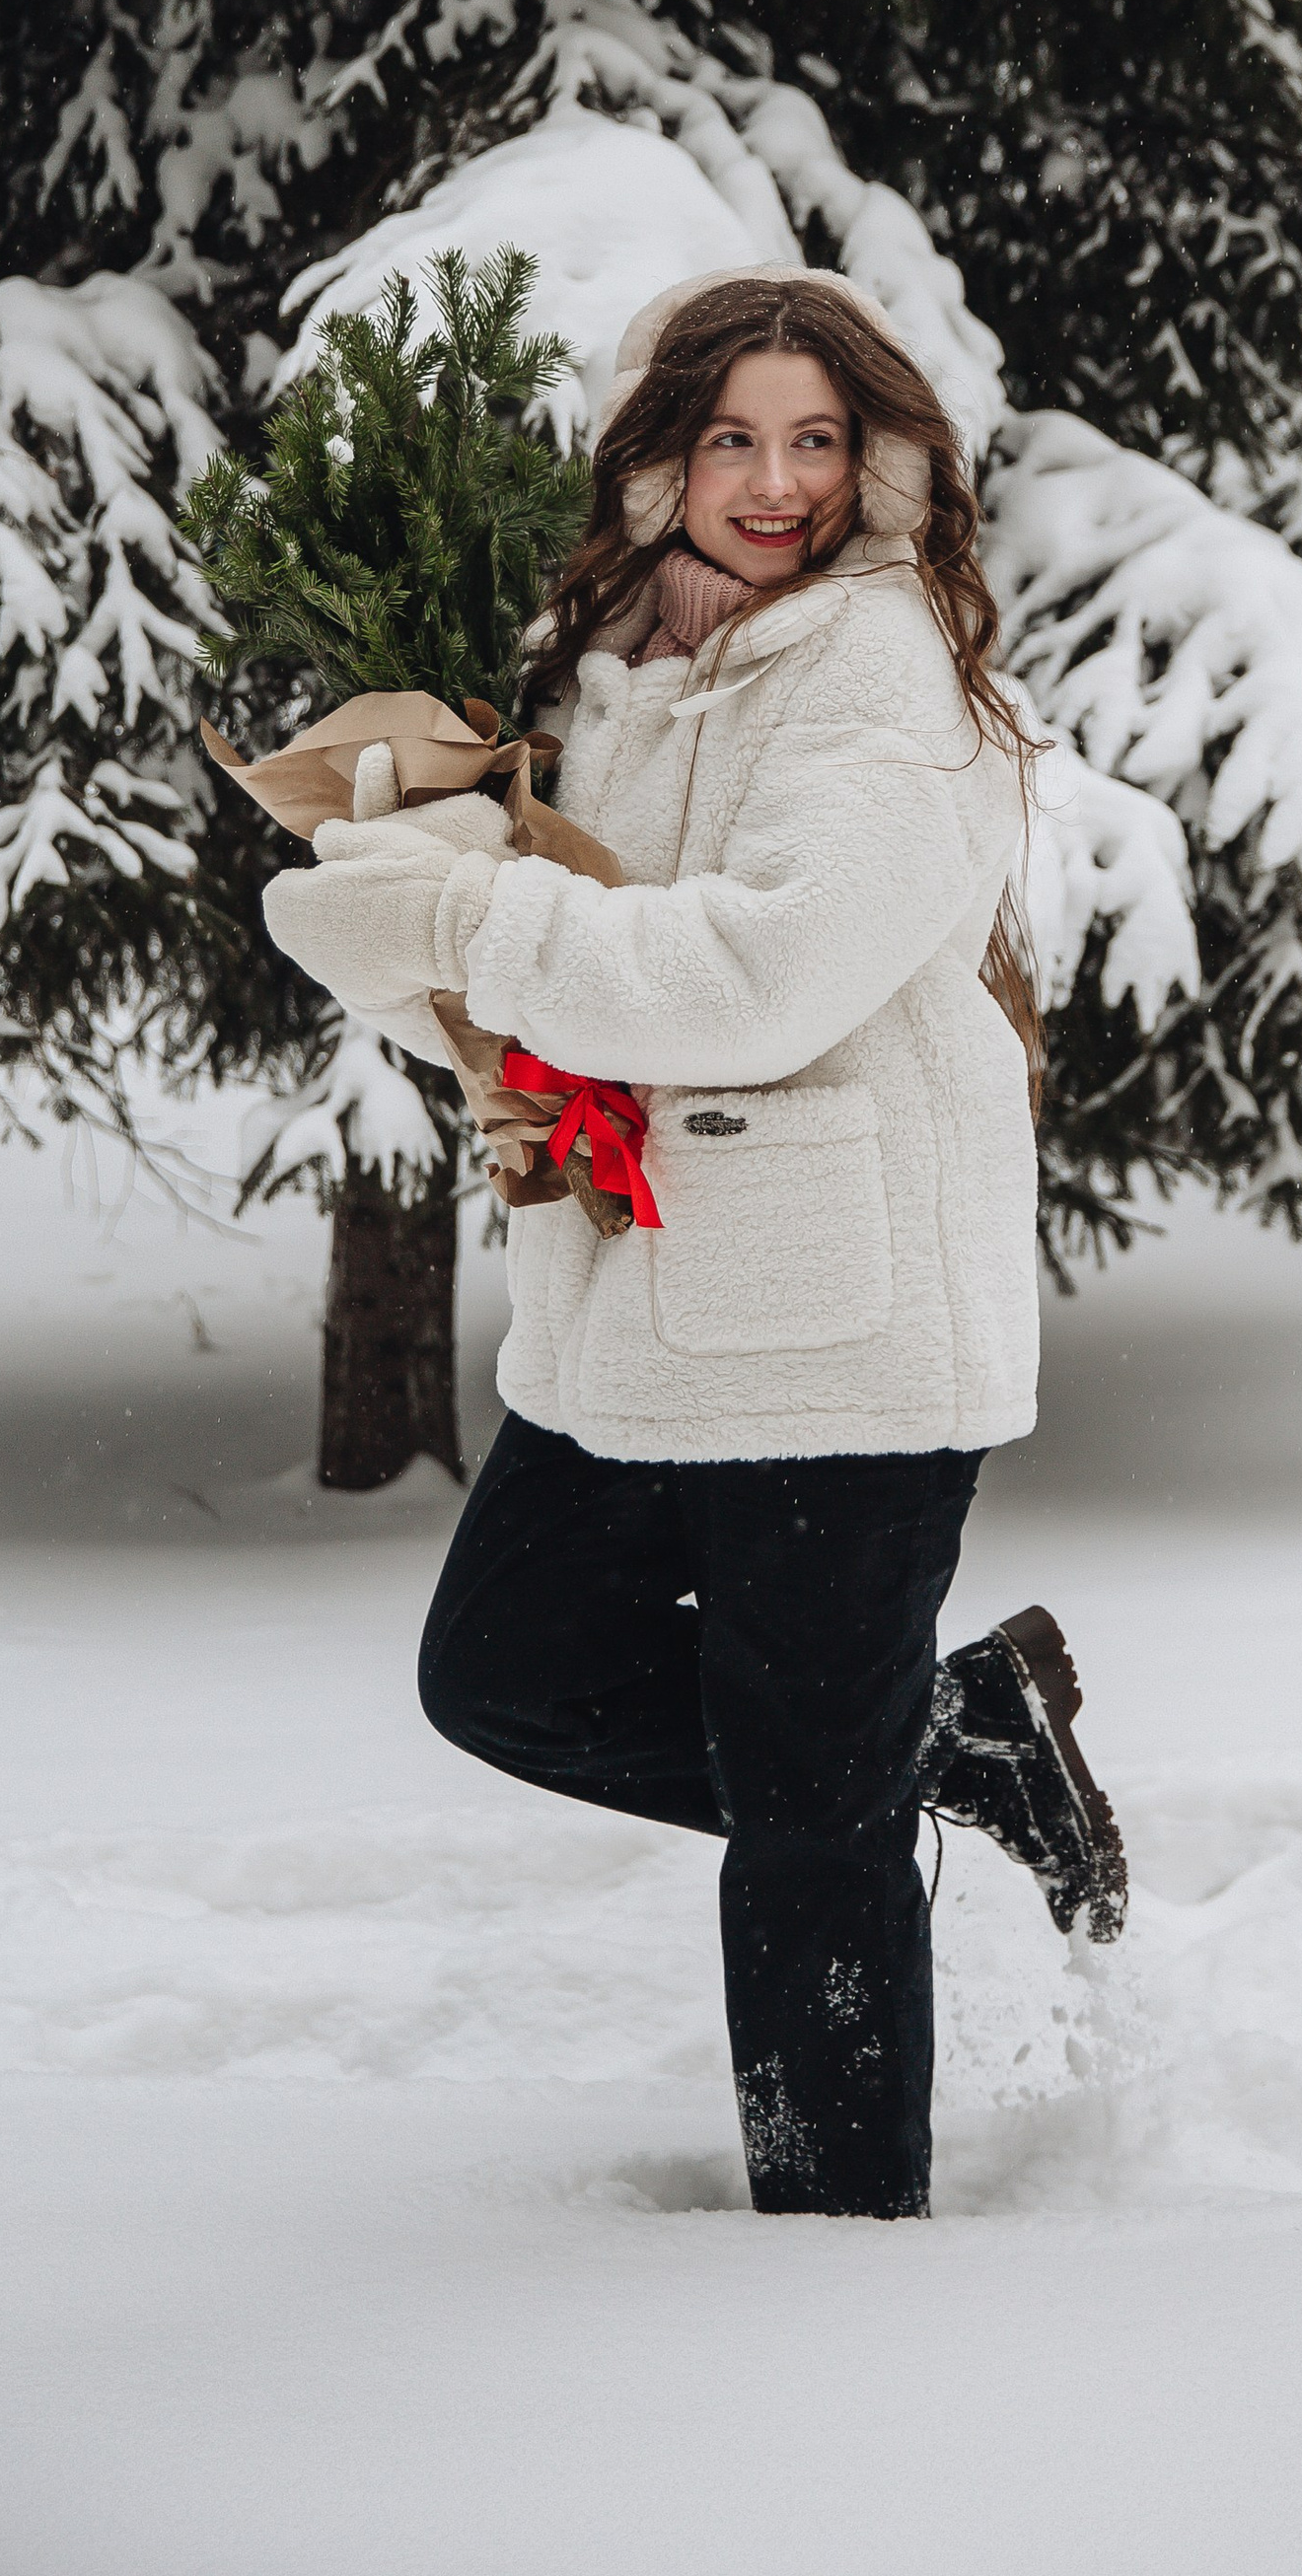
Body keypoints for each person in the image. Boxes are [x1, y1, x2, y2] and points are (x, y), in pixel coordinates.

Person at [258, 265, 1123, 2221]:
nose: (772, 480)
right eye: (729, 434)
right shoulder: (626, 662)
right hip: (646, 1311)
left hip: (839, 1321)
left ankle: (829, 2281)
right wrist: (419, 948)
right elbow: (588, 957)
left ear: (877, 456)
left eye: (814, 439)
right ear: (655, 446)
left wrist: (466, 936)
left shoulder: (880, 676)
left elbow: (755, 976)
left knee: (805, 1845)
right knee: (506, 1671)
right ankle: (962, 1735)